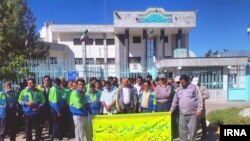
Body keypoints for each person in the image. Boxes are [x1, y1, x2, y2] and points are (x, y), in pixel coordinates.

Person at [170, 75, 203, 141]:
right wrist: (172, 109)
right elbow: (175, 100)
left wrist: (199, 110)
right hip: (182, 114)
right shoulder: (179, 89)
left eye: (183, 83)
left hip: (193, 114)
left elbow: (199, 99)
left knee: (192, 131)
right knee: (182, 132)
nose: (182, 84)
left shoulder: (194, 88)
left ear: (187, 81)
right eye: (181, 83)